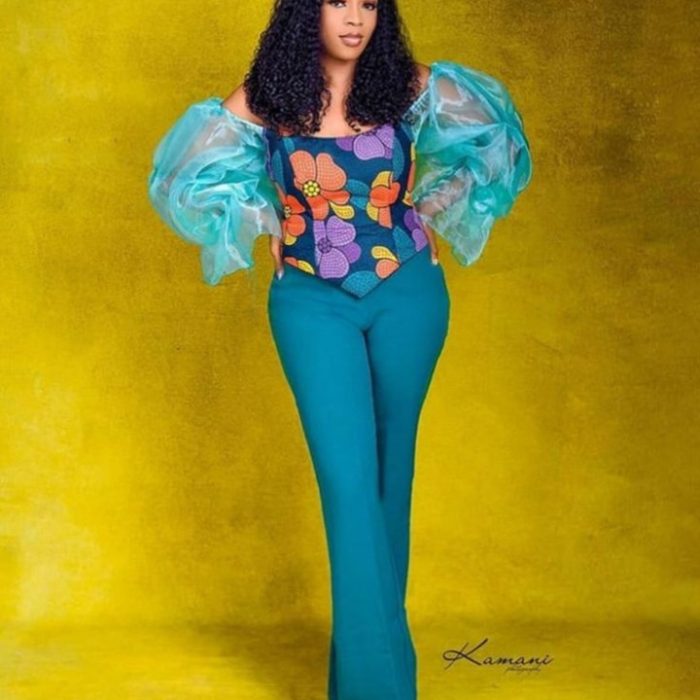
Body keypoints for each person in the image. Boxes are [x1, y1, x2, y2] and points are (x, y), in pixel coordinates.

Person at [147, 1, 533, 697]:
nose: (354, 19)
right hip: (309, 302)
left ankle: (364, 680)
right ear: (306, 12)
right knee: (348, 485)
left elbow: (499, 139)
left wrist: (435, 206)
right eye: (337, 2)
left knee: (388, 480)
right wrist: (262, 218)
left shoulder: (407, 86)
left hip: (408, 295)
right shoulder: (267, 96)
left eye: (368, 3)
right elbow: (182, 177)